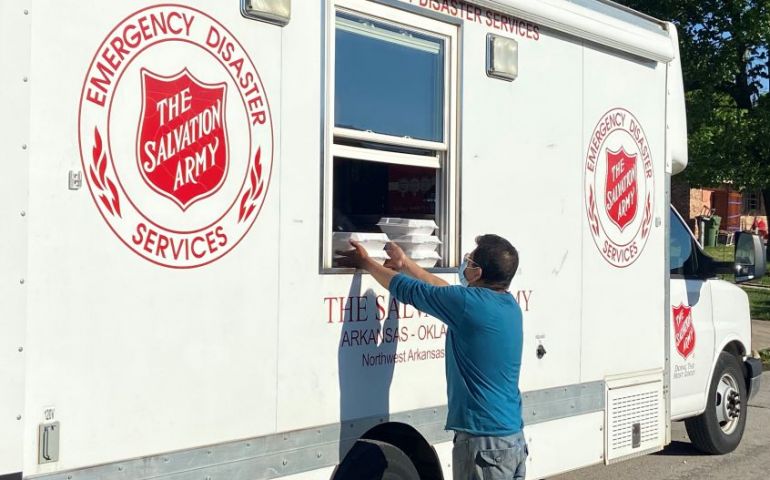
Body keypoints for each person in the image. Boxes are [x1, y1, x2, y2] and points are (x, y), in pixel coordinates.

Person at [339, 234, 526, 480]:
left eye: (469, 261)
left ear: (477, 272)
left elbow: (409, 290)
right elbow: (442, 290)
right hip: (512, 439)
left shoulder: (469, 305)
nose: (465, 264)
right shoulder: (507, 305)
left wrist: (366, 263)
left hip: (484, 443)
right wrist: (405, 263)